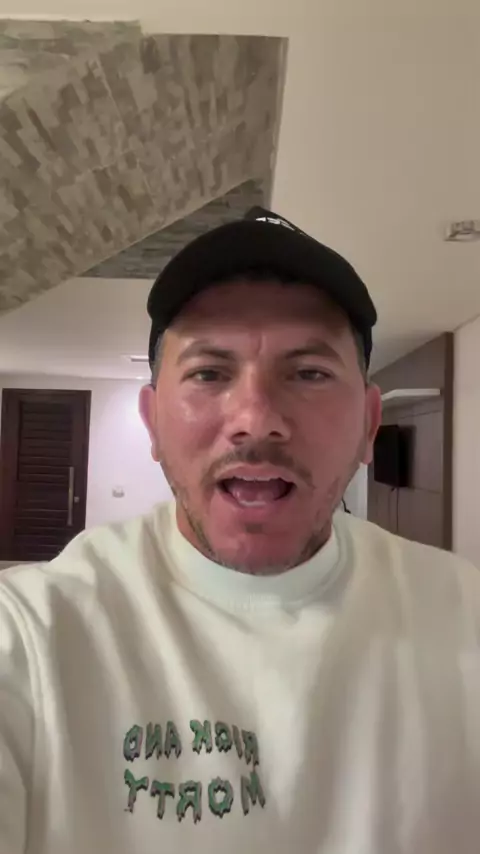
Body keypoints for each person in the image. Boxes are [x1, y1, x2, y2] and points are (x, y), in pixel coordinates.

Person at [0, 207, 479, 854]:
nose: (256, 418)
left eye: (308, 373)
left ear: (369, 425)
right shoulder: (31, 637)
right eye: (209, 373)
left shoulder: (464, 617)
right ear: (153, 421)